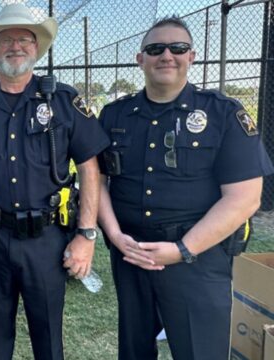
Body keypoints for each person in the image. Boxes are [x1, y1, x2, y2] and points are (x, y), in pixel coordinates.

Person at [97, 17, 274, 360]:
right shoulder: (115, 115)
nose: (166, 55)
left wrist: (182, 249)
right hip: (131, 254)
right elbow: (98, 182)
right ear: (140, 59)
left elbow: (244, 198)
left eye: (177, 48)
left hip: (198, 258)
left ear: (191, 56)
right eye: (155, 49)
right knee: (133, 352)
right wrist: (116, 236)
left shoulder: (223, 113)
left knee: (199, 352)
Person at [0, 4, 110, 359]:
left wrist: (86, 235)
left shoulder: (63, 100)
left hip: (46, 240)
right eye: (5, 39)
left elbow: (89, 167)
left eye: (24, 39)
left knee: (48, 339)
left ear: (37, 48)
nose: (15, 46)